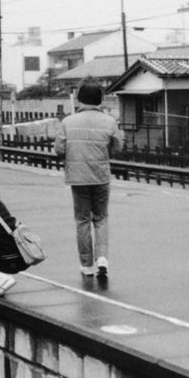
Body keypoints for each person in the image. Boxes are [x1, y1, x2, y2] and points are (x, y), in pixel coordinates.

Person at [53, 81, 123, 278]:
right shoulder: (109, 122)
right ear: (100, 100)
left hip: (78, 177)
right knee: (101, 218)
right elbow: (117, 148)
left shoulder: (67, 122)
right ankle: (102, 258)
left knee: (82, 220)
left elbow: (59, 150)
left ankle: (86, 264)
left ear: (80, 99)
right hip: (101, 176)